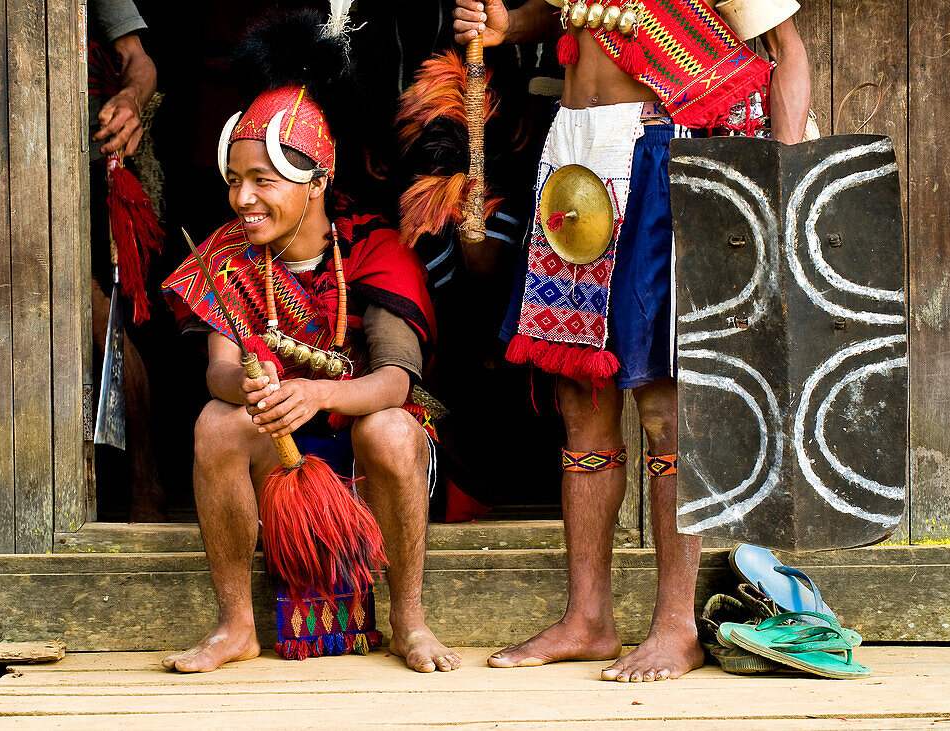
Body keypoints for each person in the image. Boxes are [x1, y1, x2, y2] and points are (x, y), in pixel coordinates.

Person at [453, 0, 810, 681]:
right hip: (574, 152)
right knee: (581, 398)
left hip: (662, 148)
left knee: (664, 404)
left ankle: (675, 627)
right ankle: (587, 618)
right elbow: (570, 13)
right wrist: (511, 27)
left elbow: (786, 51)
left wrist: (780, 189)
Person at [159, 10, 460, 674]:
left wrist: (316, 392)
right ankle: (237, 624)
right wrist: (249, 384)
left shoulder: (375, 248)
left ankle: (409, 621)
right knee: (216, 423)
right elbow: (218, 371)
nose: (243, 198)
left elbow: (399, 382)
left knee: (393, 428)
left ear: (318, 181)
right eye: (235, 180)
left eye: (262, 181)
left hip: (361, 444)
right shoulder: (227, 256)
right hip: (279, 452)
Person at [89, 0, 166, 521]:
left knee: (106, 324)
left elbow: (138, 59)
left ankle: (146, 486)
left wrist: (131, 98)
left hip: (96, 170)